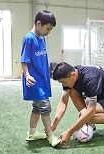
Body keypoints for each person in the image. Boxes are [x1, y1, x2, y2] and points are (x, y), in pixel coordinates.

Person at [52, 62, 104, 146]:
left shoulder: (90, 78)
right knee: (74, 95)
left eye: (65, 82)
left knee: (89, 116)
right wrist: (55, 123)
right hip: (101, 98)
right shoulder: (70, 73)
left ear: (73, 74)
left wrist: (69, 132)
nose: (64, 85)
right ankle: (90, 124)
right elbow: (63, 102)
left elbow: (91, 111)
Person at [20, 10, 61, 147]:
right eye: (47, 28)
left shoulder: (42, 39)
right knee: (45, 106)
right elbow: (24, 60)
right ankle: (50, 135)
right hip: (34, 80)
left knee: (37, 107)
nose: (48, 32)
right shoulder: (29, 38)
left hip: (43, 79)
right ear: (38, 23)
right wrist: (27, 75)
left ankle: (32, 133)